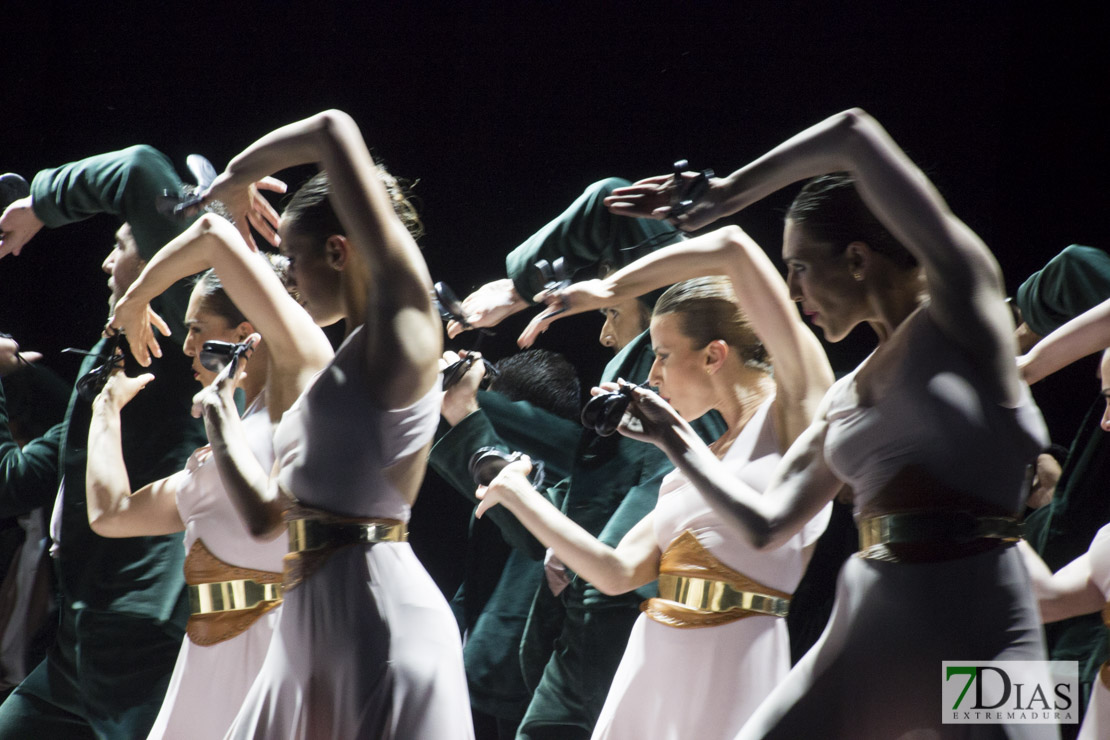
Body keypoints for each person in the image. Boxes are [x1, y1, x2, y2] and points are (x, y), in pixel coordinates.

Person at [591, 109, 1050, 738]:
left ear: (857, 259)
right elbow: (766, 523)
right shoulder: (845, 395)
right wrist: (672, 435)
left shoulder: (963, 314)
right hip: (868, 623)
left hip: (991, 624)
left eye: (800, 266)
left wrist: (728, 194)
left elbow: (854, 133)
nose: (792, 287)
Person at [485, 213, 833, 738]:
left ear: (715, 354)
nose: (651, 376)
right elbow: (616, 571)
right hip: (653, 659)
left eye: (664, 355)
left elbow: (734, 246)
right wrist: (518, 495)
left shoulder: (795, 412)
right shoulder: (692, 460)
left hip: (738, 662)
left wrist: (606, 290)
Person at [183, 110, 471, 738]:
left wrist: (235, 178)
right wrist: (223, 421)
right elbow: (266, 517)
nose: (288, 276)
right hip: (311, 628)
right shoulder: (344, 366)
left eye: (293, 256)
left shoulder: (405, 330)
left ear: (339, 250)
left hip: (376, 623)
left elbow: (334, 129)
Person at [438, 178, 727, 739]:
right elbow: (559, 538)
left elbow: (612, 198)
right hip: (587, 654)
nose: (600, 320)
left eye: (611, 292)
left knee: (946, 714)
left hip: (612, 656)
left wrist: (517, 288)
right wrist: (468, 420)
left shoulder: (678, 380)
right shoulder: (647, 401)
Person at [0, 145, 216, 739]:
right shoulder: (106, 368)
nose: (104, 262)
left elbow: (140, 169)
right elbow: (11, 482)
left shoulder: (175, 337)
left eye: (119, 245)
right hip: (82, 628)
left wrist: (40, 204)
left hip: (137, 622)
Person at [91, 228, 329, 739]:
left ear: (246, 332)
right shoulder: (229, 441)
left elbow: (212, 236)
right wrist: (105, 411)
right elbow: (110, 515)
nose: (187, 345)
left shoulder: (301, 391)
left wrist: (136, 299)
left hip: (281, 653)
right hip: (208, 658)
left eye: (197, 329)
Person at [432, 349, 582, 738]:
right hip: (490, 667)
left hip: (527, 675)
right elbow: (479, 576)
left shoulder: (562, 474)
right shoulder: (517, 474)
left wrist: (469, 407)